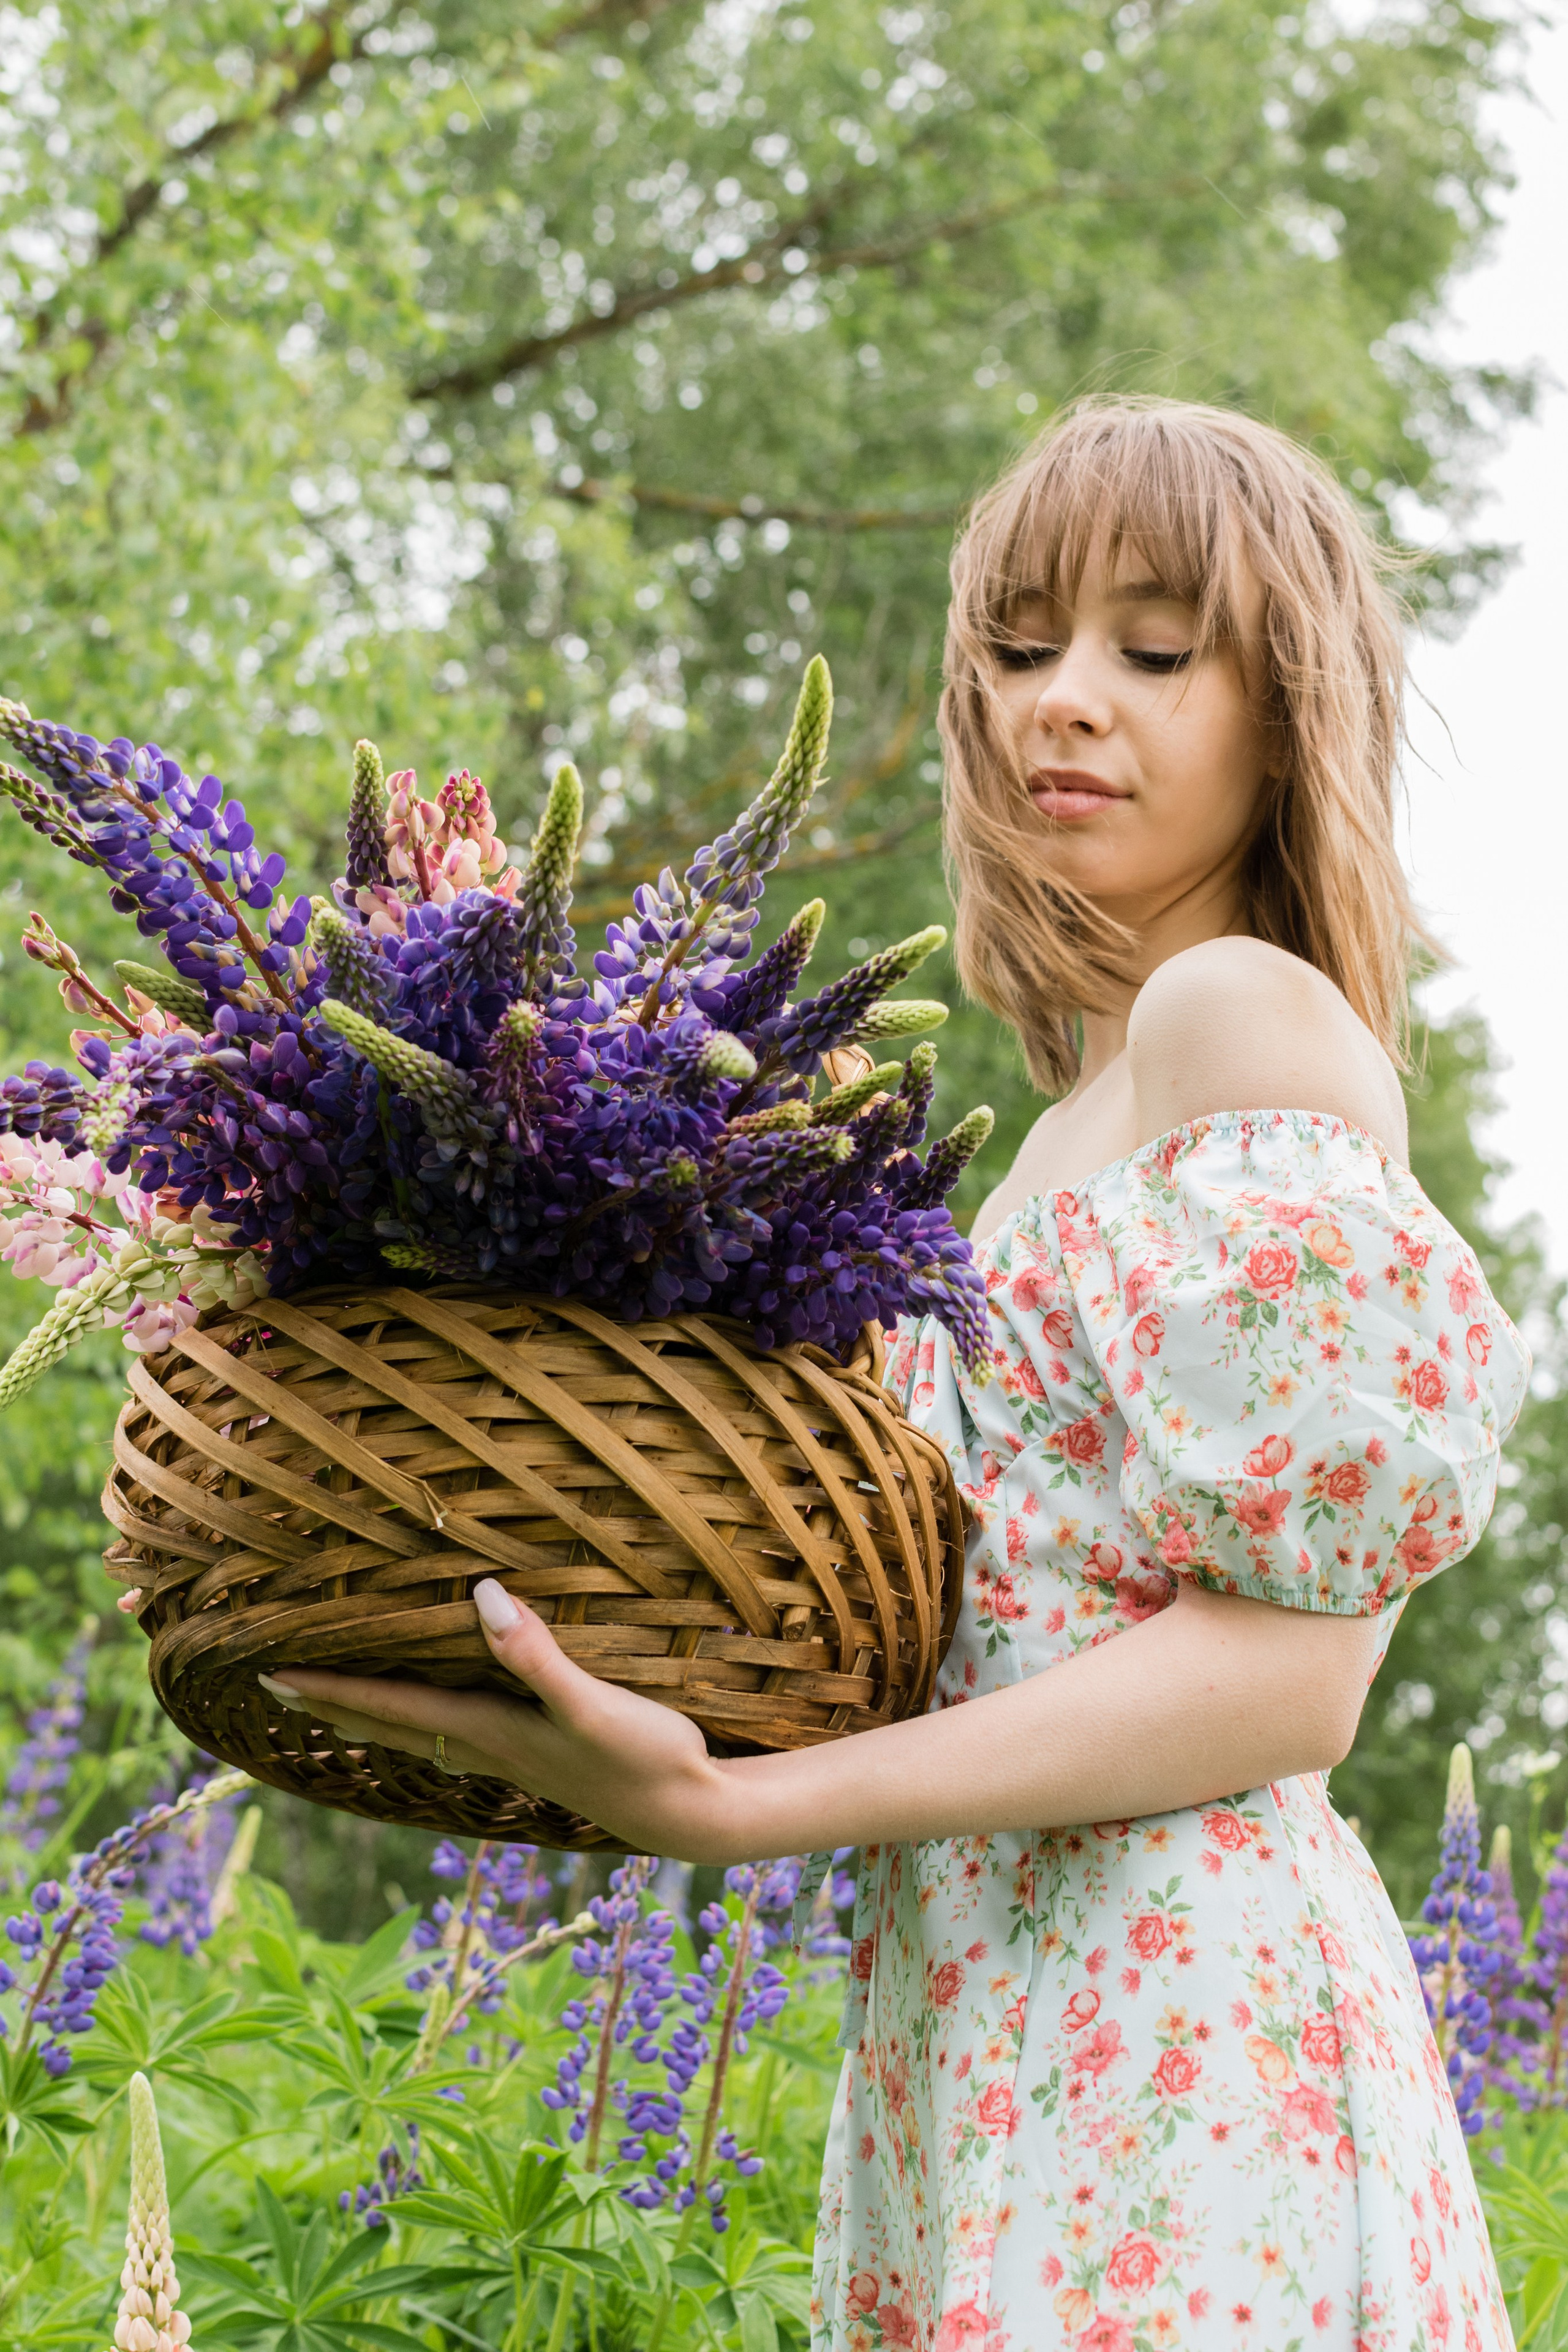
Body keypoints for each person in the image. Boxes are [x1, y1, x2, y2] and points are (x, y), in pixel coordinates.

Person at [264, 398, 1529, 2350]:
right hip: (984, 2016)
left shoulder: (1234, 1014)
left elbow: (1299, 1669)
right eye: (1019, 648)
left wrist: (748, 1812)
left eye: (1154, 647)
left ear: (1286, 703)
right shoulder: (1064, 1125)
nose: (1064, 703)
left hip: (1179, 2029)